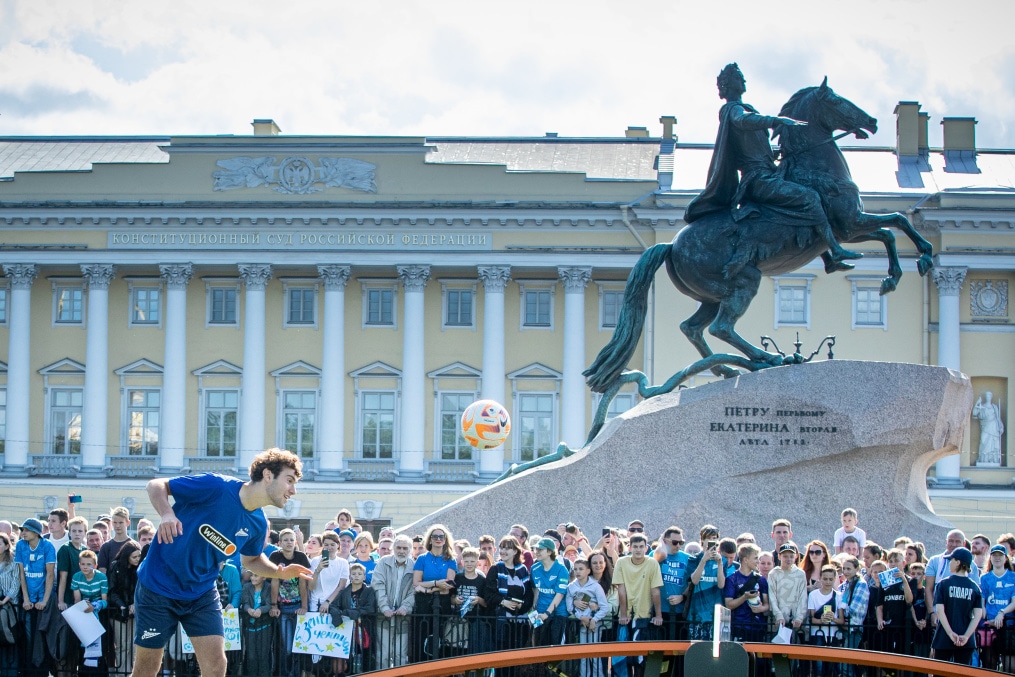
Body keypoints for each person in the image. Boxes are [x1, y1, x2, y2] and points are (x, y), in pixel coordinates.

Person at [129, 447, 312, 677]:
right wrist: (167, 513)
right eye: (289, 480)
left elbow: (252, 560)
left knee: (216, 666)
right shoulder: (217, 486)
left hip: (201, 594)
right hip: (158, 588)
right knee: (146, 670)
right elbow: (156, 485)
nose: (293, 490)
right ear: (267, 475)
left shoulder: (258, 524)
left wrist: (279, 572)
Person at [684, 62, 862, 274]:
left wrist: (776, 154)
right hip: (758, 180)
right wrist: (776, 120)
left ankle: (827, 259)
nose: (744, 81)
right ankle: (835, 251)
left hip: (768, 173)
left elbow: (755, 148)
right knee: (810, 198)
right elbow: (743, 121)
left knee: (808, 195)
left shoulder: (745, 109)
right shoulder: (732, 110)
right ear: (729, 85)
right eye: (739, 77)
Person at [483, 535, 533, 677]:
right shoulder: (495, 569)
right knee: (501, 661)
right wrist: (503, 602)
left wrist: (520, 606)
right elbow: (488, 593)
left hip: (519, 622)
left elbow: (528, 595)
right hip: (501, 622)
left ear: (516, 551)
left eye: (508, 548)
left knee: (515, 661)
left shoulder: (523, 570)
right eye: (502, 548)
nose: (504, 551)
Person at [411, 524, 457, 662]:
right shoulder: (422, 558)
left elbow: (449, 585)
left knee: (440, 641)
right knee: (422, 640)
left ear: (445, 539)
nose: (438, 539)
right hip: (423, 605)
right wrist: (436, 584)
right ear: (430, 540)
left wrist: (426, 589)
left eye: (441, 536)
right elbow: (416, 583)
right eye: (435, 536)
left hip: (443, 603)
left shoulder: (451, 560)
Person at [932, 547, 983, 665]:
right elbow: (978, 615)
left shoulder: (943, 584)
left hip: (943, 638)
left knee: (939, 673)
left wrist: (950, 633)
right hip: (966, 639)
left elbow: (940, 611)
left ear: (958, 562)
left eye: (952, 560)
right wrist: (966, 636)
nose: (949, 563)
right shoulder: (974, 587)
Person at [373, 534, 415, 669]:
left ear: (410, 549)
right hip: (383, 616)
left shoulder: (414, 566)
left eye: (405, 548)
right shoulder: (383, 562)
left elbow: (415, 590)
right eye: (398, 547)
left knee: (400, 656)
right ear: (393, 548)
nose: (401, 551)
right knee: (382, 655)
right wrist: (384, 607)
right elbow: (378, 585)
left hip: (403, 618)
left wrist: (406, 607)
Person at [567, 557, 609, 677]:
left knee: (595, 655)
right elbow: (570, 607)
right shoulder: (571, 587)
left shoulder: (595, 586)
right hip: (581, 624)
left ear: (588, 571)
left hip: (594, 625)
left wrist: (594, 620)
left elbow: (604, 607)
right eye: (575, 569)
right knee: (583, 655)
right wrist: (581, 617)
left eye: (581, 569)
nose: (578, 572)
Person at [332, 562, 376, 673]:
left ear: (364, 577)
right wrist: (337, 614)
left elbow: (370, 608)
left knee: (365, 654)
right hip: (347, 630)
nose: (356, 576)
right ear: (350, 576)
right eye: (354, 573)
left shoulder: (369, 591)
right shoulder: (344, 592)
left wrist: (349, 612)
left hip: (364, 629)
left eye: (359, 574)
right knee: (349, 656)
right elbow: (333, 606)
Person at [723, 543, 770, 643]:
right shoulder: (732, 579)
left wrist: (761, 608)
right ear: (745, 560)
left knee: (757, 658)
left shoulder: (761, 579)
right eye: (755, 558)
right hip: (739, 626)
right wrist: (744, 597)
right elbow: (728, 604)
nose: (758, 561)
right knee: (741, 658)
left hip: (758, 626)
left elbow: (767, 604)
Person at [72, 550, 108, 676]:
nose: (85, 567)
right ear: (79, 564)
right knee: (81, 649)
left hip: (98, 612)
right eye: (83, 564)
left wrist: (94, 606)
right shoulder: (76, 577)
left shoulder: (102, 578)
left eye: (89, 564)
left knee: (99, 650)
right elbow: (77, 599)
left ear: (95, 565)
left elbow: (105, 601)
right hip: (83, 612)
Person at [979, 544, 1015, 670]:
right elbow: (982, 601)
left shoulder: (1013, 577)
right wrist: (986, 617)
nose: (997, 558)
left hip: (1008, 626)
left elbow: (1014, 602)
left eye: (1000, 555)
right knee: (989, 663)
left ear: (1006, 558)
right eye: (994, 555)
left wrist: (1002, 613)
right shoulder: (984, 578)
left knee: (1010, 666)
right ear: (990, 558)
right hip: (989, 626)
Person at [107, 540, 141, 673]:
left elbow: (141, 590)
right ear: (127, 556)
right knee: (122, 645)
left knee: (133, 646)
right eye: (134, 557)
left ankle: (132, 673)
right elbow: (112, 590)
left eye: (139, 556)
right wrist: (123, 606)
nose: (137, 559)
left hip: (134, 611)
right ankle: (122, 672)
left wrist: (134, 604)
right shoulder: (115, 567)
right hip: (118, 612)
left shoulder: (139, 569)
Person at [687, 525, 726, 640]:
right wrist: (704, 560)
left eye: (714, 538)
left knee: (715, 651)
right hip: (697, 612)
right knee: (697, 648)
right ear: (702, 541)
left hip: (715, 613)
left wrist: (719, 564)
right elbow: (694, 580)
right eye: (708, 538)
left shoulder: (722, 560)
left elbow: (721, 585)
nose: (711, 541)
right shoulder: (694, 559)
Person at [530, 537, 569, 648]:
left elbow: (560, 594)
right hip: (539, 613)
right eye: (535, 549)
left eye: (540, 549)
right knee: (538, 647)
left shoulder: (561, 569)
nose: (536, 552)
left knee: (555, 650)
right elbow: (536, 589)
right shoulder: (534, 568)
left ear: (550, 551)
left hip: (557, 615)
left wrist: (547, 613)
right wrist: (534, 609)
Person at [769, 543, 807, 637]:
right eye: (785, 556)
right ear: (779, 556)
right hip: (777, 621)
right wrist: (778, 615)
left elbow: (803, 597)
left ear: (796, 556)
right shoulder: (773, 573)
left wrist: (799, 617)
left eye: (791, 556)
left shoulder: (800, 574)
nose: (788, 559)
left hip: (794, 620)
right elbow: (772, 596)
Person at [239, 572, 272, 677]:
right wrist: (248, 609)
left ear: (264, 577)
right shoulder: (246, 586)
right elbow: (244, 603)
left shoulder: (269, 587)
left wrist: (260, 610)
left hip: (264, 626)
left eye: (256, 575)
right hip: (249, 627)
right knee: (251, 656)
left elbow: (269, 604)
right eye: (252, 575)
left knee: (263, 656)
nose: (252, 578)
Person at [973, 392, 1004, 465]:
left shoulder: (994, 407)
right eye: (987, 396)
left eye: (989, 395)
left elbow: (998, 418)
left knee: (993, 443)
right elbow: (974, 413)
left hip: (994, 426)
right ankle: (983, 459)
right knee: (984, 441)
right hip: (985, 427)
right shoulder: (982, 406)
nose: (988, 397)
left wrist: (1001, 426)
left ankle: (993, 459)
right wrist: (976, 404)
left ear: (991, 397)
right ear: (985, 397)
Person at [98, 507, 131, 574]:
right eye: (115, 522)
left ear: (127, 523)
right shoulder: (106, 546)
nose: (117, 526)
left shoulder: (133, 545)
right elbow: (102, 570)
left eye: (121, 522)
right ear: (112, 523)